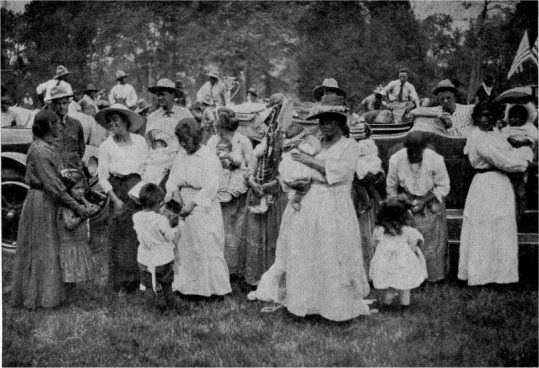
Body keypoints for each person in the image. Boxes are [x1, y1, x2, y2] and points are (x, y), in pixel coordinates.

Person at [248, 94, 374, 321]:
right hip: (310, 202)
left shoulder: (349, 146)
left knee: (332, 251)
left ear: (339, 122)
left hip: (335, 204)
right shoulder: (314, 145)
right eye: (321, 120)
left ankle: (336, 306)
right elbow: (295, 168)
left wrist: (309, 162)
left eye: (330, 120)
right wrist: (296, 178)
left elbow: (339, 172)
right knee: (307, 251)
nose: (324, 125)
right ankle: (307, 303)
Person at [10, 110, 90, 309]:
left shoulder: (47, 147)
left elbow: (55, 179)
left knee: (49, 248)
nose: (59, 127)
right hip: (41, 202)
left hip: (47, 200)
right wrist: (78, 207)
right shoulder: (41, 151)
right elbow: (54, 187)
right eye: (55, 124)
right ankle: (38, 297)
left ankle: (47, 294)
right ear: (48, 127)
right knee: (42, 249)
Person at [458, 102, 530, 286]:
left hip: (502, 185)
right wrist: (525, 164)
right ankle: (481, 276)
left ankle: (502, 276)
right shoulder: (476, 136)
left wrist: (521, 155)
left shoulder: (498, 134)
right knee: (483, 228)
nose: (485, 119)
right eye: (482, 115)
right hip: (485, 184)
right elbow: (500, 159)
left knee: (502, 227)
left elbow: (511, 153)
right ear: (476, 117)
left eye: (490, 115)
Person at [165, 117, 232, 298]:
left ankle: (212, 289)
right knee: (185, 246)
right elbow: (172, 180)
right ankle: (187, 287)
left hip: (203, 205)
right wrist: (176, 194)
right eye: (181, 141)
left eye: (187, 140)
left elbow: (211, 186)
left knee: (206, 245)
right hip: (183, 202)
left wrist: (192, 204)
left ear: (196, 137)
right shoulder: (180, 155)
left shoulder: (209, 157)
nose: (184, 144)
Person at [96, 103, 148, 295]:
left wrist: (144, 192)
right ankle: (121, 284)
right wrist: (116, 200)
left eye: (115, 119)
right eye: (109, 121)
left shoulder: (140, 142)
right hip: (117, 189)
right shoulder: (106, 146)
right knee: (119, 236)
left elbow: (146, 167)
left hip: (138, 188)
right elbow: (102, 177)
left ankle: (138, 281)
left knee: (138, 234)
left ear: (126, 121)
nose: (112, 123)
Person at [386, 131, 451, 282]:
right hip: (407, 202)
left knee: (433, 243)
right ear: (405, 148)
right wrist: (400, 206)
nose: (414, 154)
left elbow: (444, 186)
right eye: (411, 150)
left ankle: (434, 277)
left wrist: (424, 201)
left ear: (424, 148)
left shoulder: (435, 159)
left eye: (418, 151)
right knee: (408, 240)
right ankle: (411, 277)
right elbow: (391, 188)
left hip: (430, 201)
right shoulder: (396, 159)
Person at [242, 95, 289, 288]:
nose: (272, 121)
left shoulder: (286, 140)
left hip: (276, 196)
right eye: (270, 115)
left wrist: (273, 185)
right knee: (256, 233)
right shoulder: (258, 139)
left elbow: (288, 172)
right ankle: (254, 277)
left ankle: (273, 279)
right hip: (257, 192)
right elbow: (250, 166)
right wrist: (253, 181)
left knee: (274, 235)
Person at [206, 108, 255, 278]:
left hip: (237, 188)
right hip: (219, 187)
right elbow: (207, 162)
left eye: (222, 129)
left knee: (236, 229)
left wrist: (244, 172)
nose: (220, 132)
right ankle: (218, 269)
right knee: (219, 228)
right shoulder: (213, 141)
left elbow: (251, 164)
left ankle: (233, 270)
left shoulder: (243, 141)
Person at [370, 198, 427, 307]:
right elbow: (417, 239)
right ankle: (405, 304)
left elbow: (374, 243)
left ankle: (387, 304)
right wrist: (414, 248)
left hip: (385, 262)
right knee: (404, 285)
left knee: (389, 284)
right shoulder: (407, 230)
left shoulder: (380, 230)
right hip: (403, 263)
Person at [133, 183, 181, 313]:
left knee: (149, 286)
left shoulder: (136, 217)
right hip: (162, 258)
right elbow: (169, 236)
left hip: (144, 258)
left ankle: (150, 311)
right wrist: (175, 228)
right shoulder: (160, 220)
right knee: (167, 286)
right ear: (158, 203)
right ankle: (171, 309)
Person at [349, 116, 385, 276]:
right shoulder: (369, 144)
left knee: (365, 233)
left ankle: (370, 269)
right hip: (366, 170)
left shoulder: (358, 146)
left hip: (361, 172)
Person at [58, 169, 100, 287]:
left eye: (82, 188)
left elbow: (90, 207)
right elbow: (70, 224)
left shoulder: (80, 200)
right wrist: (84, 215)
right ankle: (67, 288)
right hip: (70, 242)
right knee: (69, 267)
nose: (80, 191)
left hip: (78, 241)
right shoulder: (67, 206)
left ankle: (72, 288)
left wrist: (89, 206)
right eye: (76, 188)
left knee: (76, 266)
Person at [502, 104, 537, 218]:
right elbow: (502, 137)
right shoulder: (507, 128)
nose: (513, 120)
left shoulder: (529, 127)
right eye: (511, 117)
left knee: (521, 186)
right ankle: (513, 212)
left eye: (516, 117)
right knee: (514, 186)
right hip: (511, 151)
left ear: (523, 118)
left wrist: (523, 141)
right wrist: (509, 139)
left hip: (523, 150)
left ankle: (521, 212)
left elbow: (534, 138)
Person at [277, 122, 322, 211]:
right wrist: (315, 144)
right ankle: (295, 201)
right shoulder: (302, 145)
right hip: (298, 171)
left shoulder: (287, 145)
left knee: (299, 188)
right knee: (303, 187)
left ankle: (294, 200)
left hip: (288, 171)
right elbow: (313, 151)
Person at [146, 78, 193, 154]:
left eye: (163, 94)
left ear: (172, 95)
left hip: (182, 155)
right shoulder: (153, 117)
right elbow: (149, 142)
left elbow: (192, 136)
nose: (160, 98)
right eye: (158, 95)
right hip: (160, 157)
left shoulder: (184, 113)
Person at [47, 85, 86, 171]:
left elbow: (81, 149)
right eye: (58, 103)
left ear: (68, 103)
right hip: (56, 172)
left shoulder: (76, 124)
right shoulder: (47, 125)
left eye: (64, 103)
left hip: (75, 172)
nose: (62, 106)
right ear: (53, 105)